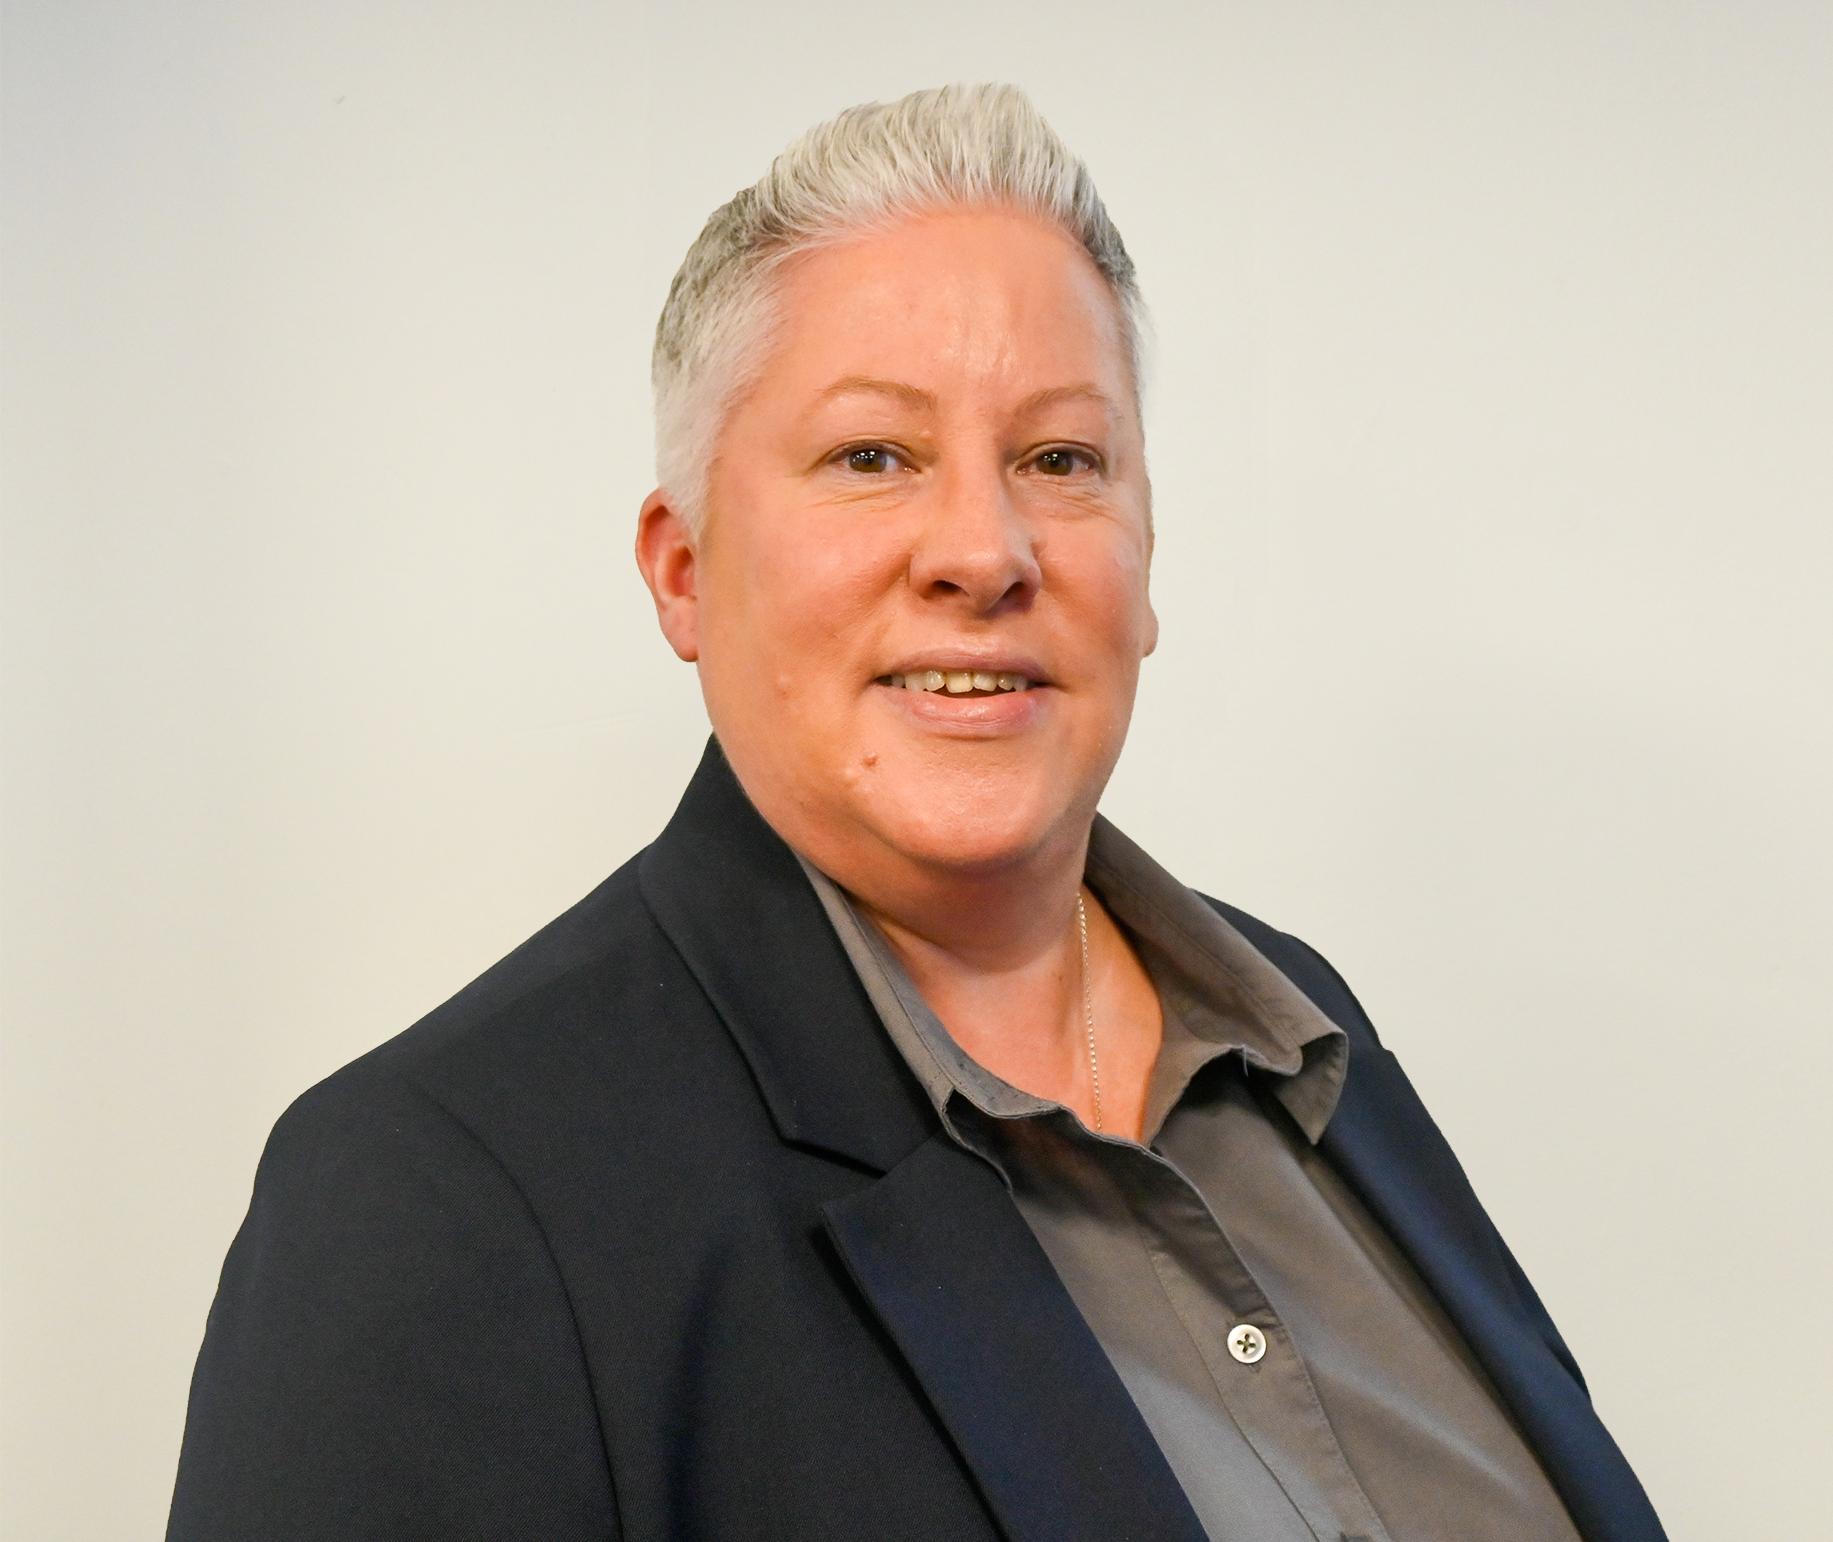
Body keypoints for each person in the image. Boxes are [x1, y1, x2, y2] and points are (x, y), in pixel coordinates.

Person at [167, 85, 1666, 1542]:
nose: (984, 547)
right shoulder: (436, 1200)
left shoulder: (1306, 1039)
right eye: (871, 455)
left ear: (1144, 561)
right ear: (683, 570)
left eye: (1060, 458)